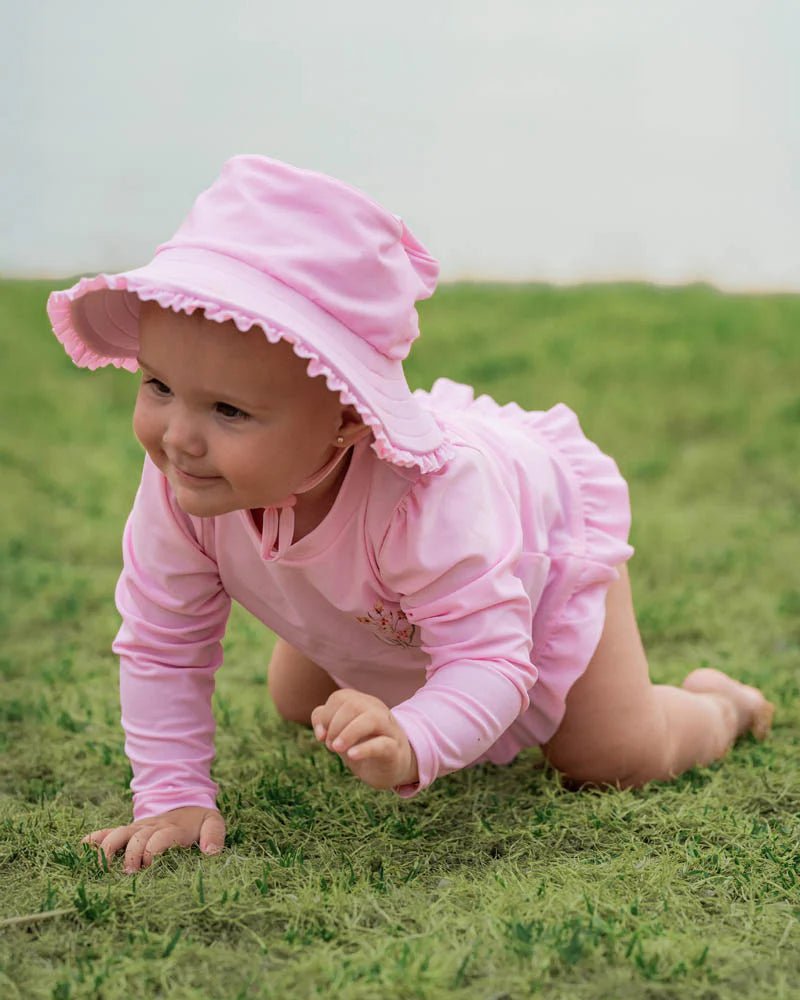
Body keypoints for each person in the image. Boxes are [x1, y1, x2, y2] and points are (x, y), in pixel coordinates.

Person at [47, 154, 774, 876]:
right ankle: (368, 648)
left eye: (228, 410)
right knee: (298, 699)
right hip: (375, 596)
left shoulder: (429, 501)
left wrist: (413, 739)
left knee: (610, 756)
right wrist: (172, 795)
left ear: (347, 421)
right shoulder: (183, 483)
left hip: (533, 563)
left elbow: (488, 661)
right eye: (158, 386)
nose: (177, 437)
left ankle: (721, 707)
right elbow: (162, 643)